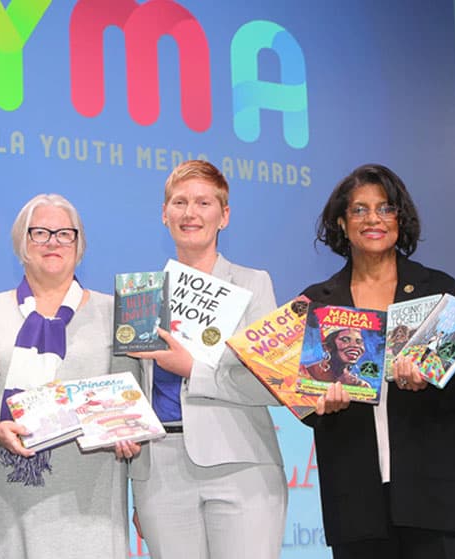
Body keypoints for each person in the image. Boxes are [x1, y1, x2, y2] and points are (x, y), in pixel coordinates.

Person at [301, 163, 455, 559]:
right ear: (341, 222)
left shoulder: (437, 290)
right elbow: (303, 399)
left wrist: (432, 380)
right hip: (356, 506)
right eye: (358, 209)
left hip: (436, 500)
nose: (372, 218)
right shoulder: (319, 301)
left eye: (385, 208)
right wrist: (324, 406)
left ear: (399, 218)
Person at [0, 194, 139, 559]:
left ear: (79, 244)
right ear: (21, 244)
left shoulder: (116, 312)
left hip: (93, 505)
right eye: (39, 233)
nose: (53, 242)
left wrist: (128, 430)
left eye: (64, 234)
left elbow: (132, 399)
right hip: (11, 503)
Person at [128, 160, 287, 559]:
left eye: (203, 202)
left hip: (241, 464)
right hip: (159, 472)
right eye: (179, 202)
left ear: (224, 215)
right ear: (164, 214)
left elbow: (271, 383)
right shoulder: (142, 296)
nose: (190, 213)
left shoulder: (254, 285)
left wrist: (194, 371)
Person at [301, 326, 372, 387]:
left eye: (359, 342)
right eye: (345, 340)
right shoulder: (301, 373)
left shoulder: (361, 386)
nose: (355, 346)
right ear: (326, 347)